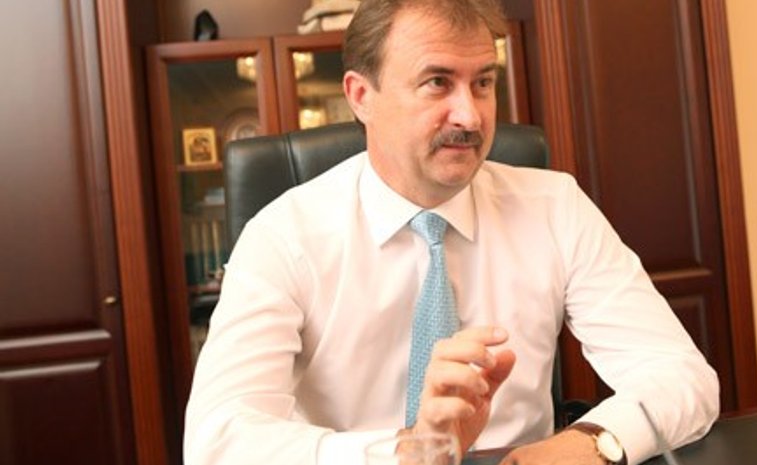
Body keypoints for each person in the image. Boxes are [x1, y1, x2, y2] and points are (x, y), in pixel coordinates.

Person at [183, 0, 719, 464]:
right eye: (437, 82)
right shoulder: (283, 237)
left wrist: (596, 441)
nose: (470, 116)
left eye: (483, 82)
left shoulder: (555, 207)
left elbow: (681, 376)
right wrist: (408, 452)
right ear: (361, 95)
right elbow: (217, 440)